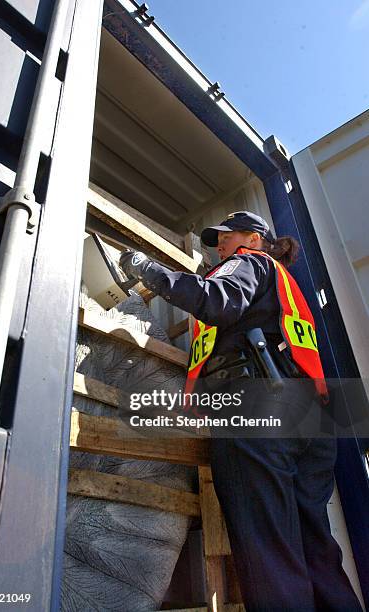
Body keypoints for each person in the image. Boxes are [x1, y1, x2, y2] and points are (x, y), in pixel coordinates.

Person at [119, 211, 362, 612]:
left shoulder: (247, 261)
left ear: (253, 238)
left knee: (268, 550)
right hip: (311, 421)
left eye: (225, 237)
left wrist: (149, 270)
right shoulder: (284, 283)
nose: (218, 246)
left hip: (258, 407)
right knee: (314, 548)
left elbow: (216, 300)